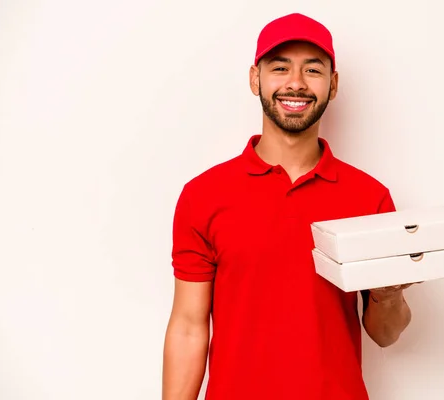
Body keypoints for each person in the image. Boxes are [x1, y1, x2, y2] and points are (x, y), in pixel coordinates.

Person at [162, 12, 418, 400]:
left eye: (312, 70)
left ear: (332, 85)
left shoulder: (370, 197)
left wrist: (390, 293)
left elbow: (386, 334)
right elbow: (187, 326)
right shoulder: (204, 195)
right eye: (280, 67)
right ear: (255, 79)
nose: (295, 83)